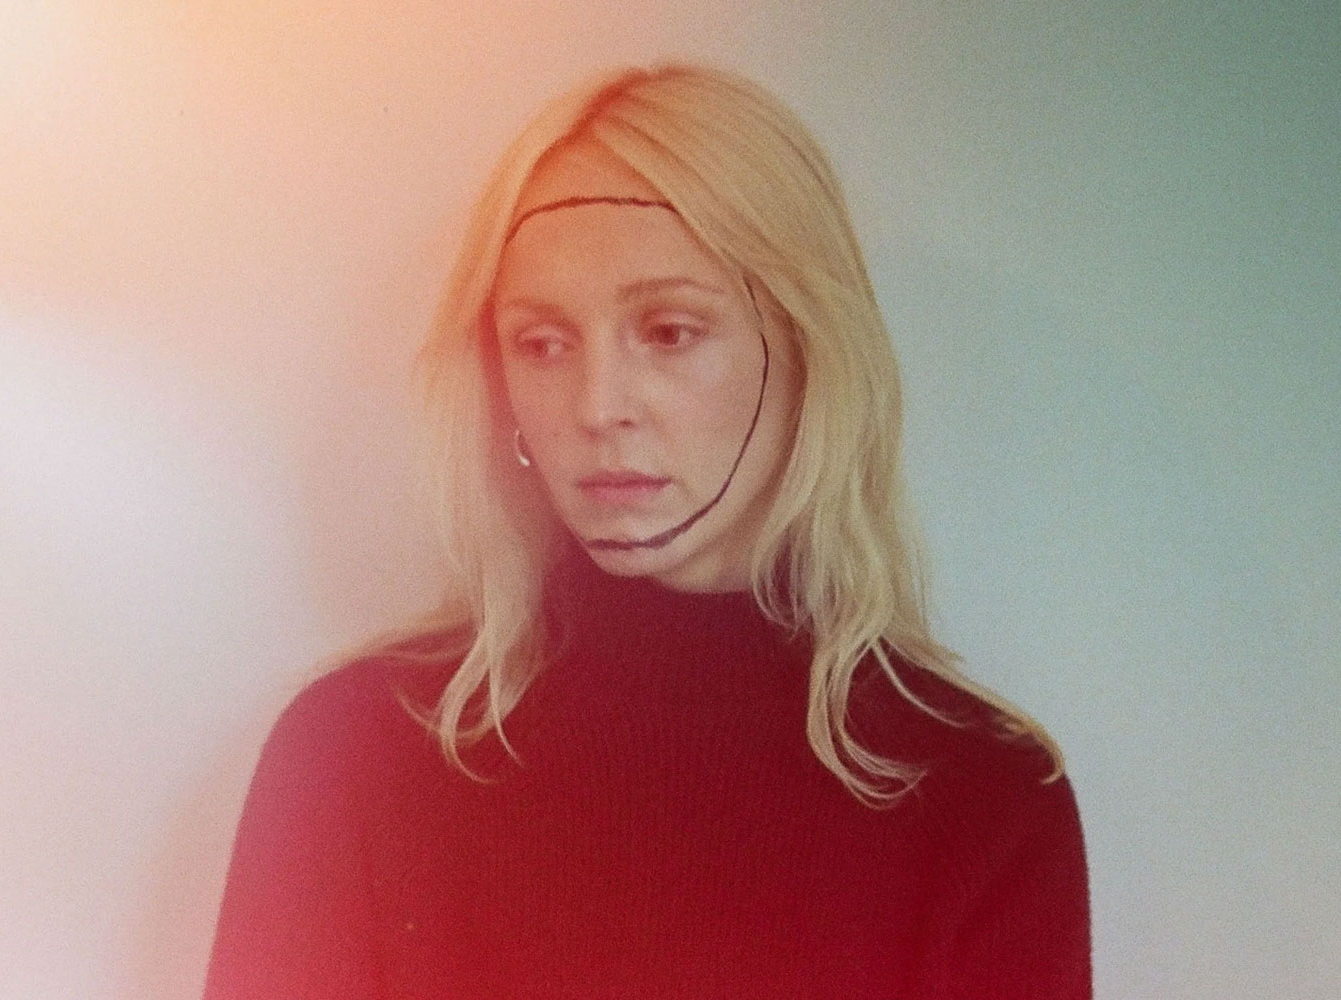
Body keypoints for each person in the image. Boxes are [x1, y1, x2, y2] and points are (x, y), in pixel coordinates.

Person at [203, 63, 1091, 999]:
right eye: (543, 343)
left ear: (809, 348)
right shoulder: (350, 756)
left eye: (669, 332)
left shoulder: (981, 797)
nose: (598, 406)